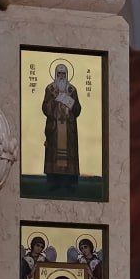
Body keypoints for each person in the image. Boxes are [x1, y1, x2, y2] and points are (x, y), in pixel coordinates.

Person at [43, 63, 82, 191]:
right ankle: (54, 183)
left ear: (67, 75)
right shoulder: (50, 89)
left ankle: (68, 183)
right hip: (54, 128)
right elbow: (45, 107)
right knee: (54, 153)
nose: (61, 76)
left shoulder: (72, 90)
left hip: (68, 128)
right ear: (55, 74)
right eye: (59, 73)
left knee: (68, 155)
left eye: (63, 74)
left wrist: (69, 102)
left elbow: (77, 109)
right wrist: (55, 102)